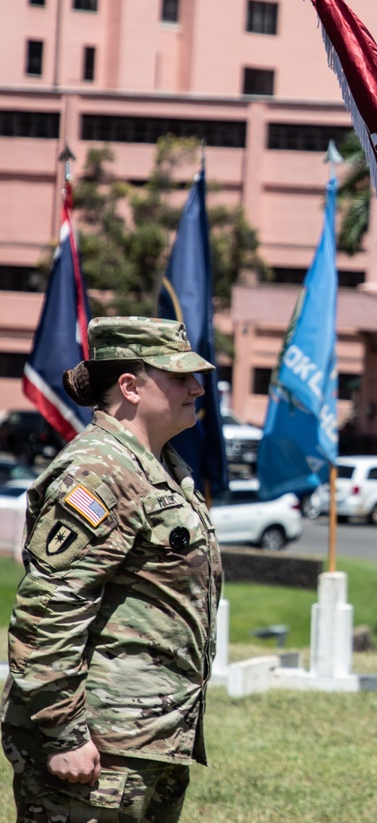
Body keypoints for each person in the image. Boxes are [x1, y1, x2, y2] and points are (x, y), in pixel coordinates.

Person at [2, 316, 223, 823]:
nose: (197, 387)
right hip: (97, 750)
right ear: (130, 386)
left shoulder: (157, 466)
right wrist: (64, 733)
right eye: (179, 376)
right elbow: (49, 609)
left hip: (144, 741)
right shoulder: (101, 471)